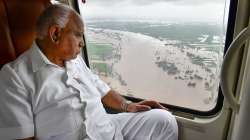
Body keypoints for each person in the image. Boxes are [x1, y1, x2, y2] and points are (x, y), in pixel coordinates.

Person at [0, 4, 178, 140]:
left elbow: (101, 88)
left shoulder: (75, 60)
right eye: (78, 35)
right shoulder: (14, 77)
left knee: (164, 121)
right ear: (55, 34)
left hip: (108, 127)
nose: (82, 43)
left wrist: (127, 106)